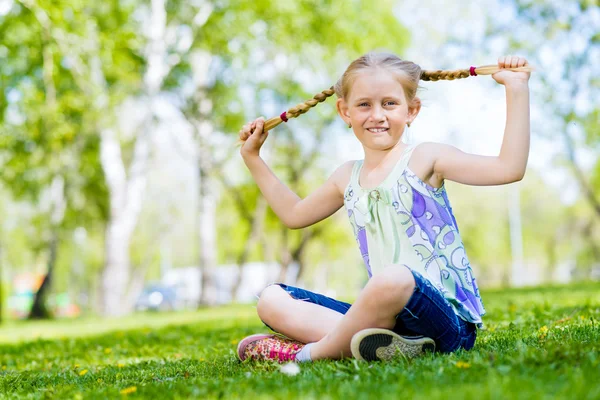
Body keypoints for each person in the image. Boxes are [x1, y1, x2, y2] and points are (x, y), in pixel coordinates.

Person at [235, 52, 531, 363]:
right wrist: (252, 158)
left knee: (393, 279)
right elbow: (294, 215)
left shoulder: (426, 158)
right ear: (345, 111)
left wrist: (516, 88)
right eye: (364, 105)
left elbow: (508, 168)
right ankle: (384, 346)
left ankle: (306, 355)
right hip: (384, 320)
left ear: (411, 110)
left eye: (389, 103)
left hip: (445, 324)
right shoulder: (346, 177)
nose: (377, 115)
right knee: (271, 300)